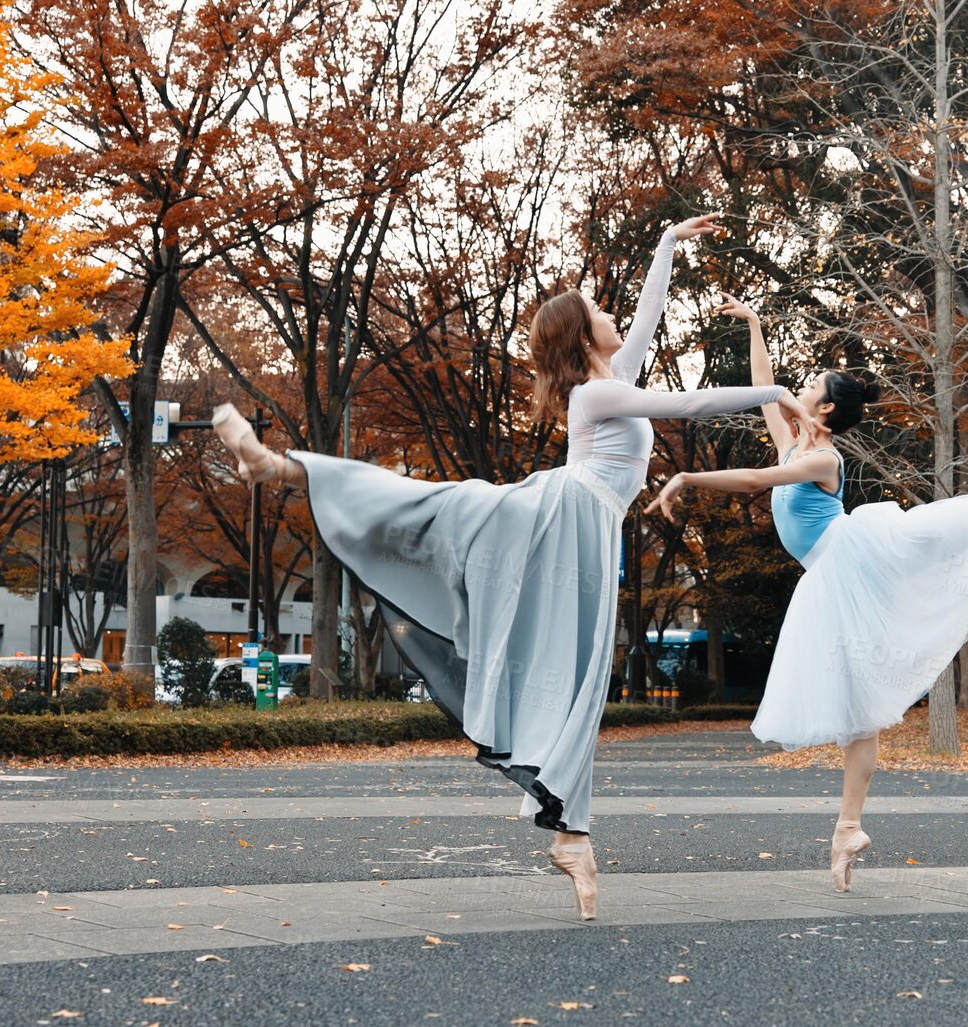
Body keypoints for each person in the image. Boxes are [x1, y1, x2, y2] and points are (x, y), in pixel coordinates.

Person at [212, 215, 821, 920]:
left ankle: (572, 833)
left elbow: (649, 316)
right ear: (582, 335)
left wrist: (665, 242)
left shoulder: (611, 375)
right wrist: (772, 394)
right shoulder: (595, 394)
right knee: (435, 506)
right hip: (560, 517)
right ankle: (281, 466)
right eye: (600, 312)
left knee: (579, 683)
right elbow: (685, 402)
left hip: (588, 539)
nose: (615, 313)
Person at [646, 293, 968, 891]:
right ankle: (847, 830)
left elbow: (757, 480)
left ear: (825, 407)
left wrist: (688, 475)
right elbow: (766, 386)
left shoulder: (822, 459)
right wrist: (755, 325)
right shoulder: (795, 441)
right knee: (859, 715)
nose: (801, 385)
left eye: (811, 383)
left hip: (866, 551)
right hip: (833, 581)